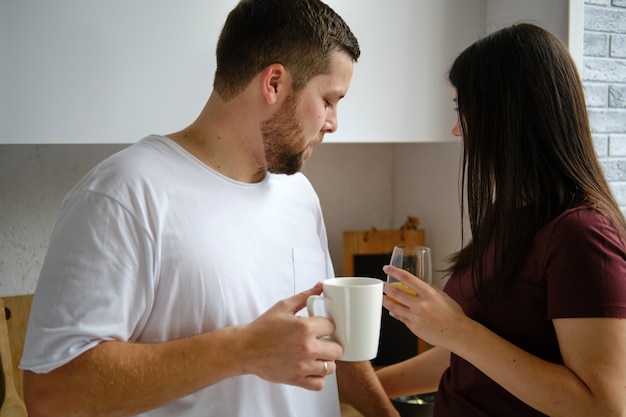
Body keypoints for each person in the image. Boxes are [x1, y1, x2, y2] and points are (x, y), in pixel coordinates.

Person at [20, 1, 399, 416]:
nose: (333, 122)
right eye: (329, 99)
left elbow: (330, 338)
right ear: (274, 83)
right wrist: (241, 350)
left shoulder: (300, 196)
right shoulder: (124, 194)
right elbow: (50, 393)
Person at [377, 23, 626, 417]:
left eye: (465, 112)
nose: (457, 130)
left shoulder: (582, 234)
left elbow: (604, 406)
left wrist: (458, 330)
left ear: (508, 116)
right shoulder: (512, 214)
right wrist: (363, 387)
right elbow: (469, 358)